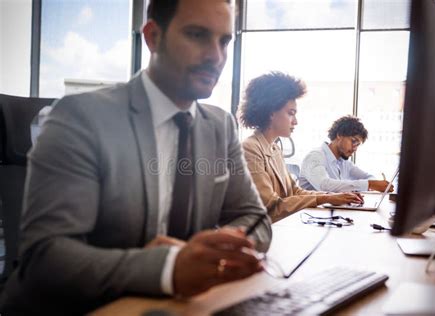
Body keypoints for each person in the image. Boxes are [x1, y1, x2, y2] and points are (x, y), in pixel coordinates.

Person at [0, 0, 271, 314]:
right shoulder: (80, 117)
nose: (216, 56)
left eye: (224, 41)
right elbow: (45, 258)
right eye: (197, 35)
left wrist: (215, 248)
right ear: (153, 37)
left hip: (174, 305)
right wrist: (170, 267)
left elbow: (256, 219)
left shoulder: (220, 125)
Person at [239, 72, 363, 222]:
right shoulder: (249, 149)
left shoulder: (274, 148)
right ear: (271, 112)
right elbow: (271, 207)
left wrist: (331, 197)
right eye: (291, 113)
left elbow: (294, 191)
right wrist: (324, 199)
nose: (295, 121)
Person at [299, 115, 393, 193]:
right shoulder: (315, 157)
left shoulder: (343, 162)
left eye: (358, 145)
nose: (355, 148)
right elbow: (324, 185)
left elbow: (369, 177)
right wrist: (370, 184)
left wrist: (374, 183)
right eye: (353, 141)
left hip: (331, 212)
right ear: (339, 135)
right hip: (311, 214)